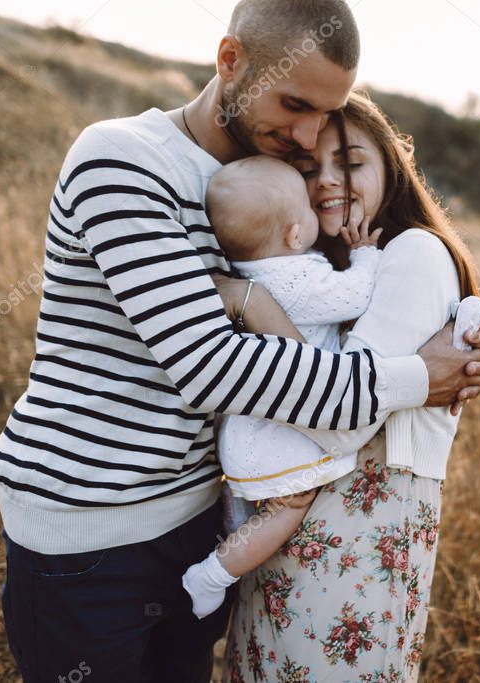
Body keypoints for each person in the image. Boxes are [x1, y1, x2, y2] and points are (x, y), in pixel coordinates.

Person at [0, 2, 480, 681]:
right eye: (294, 103)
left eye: (328, 113)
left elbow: (337, 298)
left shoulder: (277, 181)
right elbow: (211, 366)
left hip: (199, 520)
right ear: (230, 60)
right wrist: (412, 376)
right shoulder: (122, 158)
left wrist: (458, 322)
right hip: (91, 534)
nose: (308, 133)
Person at [222, 90, 480, 682]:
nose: (326, 181)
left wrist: (250, 303)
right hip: (290, 539)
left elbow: (342, 420)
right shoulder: (328, 268)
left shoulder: (414, 253)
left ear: (390, 169)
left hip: (357, 547)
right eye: (307, 167)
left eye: (350, 164)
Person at [181, 155, 384, 619]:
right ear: (296, 235)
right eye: (309, 211)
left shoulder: (249, 273)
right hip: (276, 441)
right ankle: (213, 574)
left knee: (255, 506)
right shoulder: (297, 279)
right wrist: (368, 255)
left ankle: (234, 549)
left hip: (246, 435)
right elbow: (356, 294)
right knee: (289, 506)